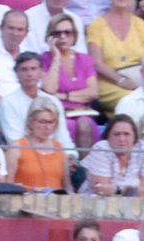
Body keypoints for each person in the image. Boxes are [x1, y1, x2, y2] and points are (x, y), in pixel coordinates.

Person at [40, 16, 98, 150]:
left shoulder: (85, 59)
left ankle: (85, 163)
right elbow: (49, 89)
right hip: (57, 113)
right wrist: (56, 58)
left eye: (67, 32)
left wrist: (63, 96)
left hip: (82, 113)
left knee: (84, 124)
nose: (63, 37)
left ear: (74, 36)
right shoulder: (44, 59)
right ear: (50, 37)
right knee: (68, 125)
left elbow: (93, 92)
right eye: (57, 33)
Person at [87, 0, 144, 113]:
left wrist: (141, 83)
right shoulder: (96, 26)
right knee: (132, 102)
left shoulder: (140, 24)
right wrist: (121, 80)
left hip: (139, 81)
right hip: (110, 82)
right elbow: (97, 63)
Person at [82, 112, 144, 195]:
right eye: (116, 134)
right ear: (108, 136)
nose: (122, 139)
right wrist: (126, 191)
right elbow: (102, 190)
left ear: (134, 137)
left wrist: (117, 190)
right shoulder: (101, 148)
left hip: (134, 202)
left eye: (126, 134)